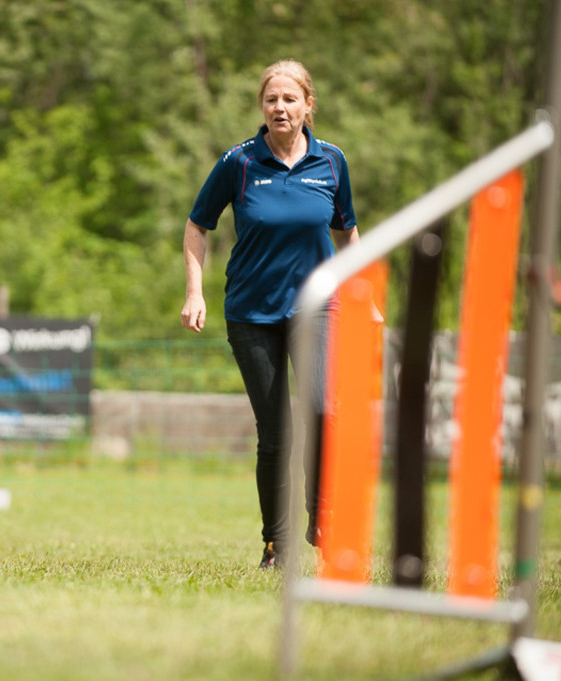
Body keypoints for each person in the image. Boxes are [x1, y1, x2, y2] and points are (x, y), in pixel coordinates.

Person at [180, 59, 366, 569]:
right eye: (271, 100)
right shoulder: (239, 162)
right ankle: (275, 545)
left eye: (289, 99)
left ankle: (323, 516)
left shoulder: (332, 162)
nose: (279, 108)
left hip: (318, 307)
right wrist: (195, 292)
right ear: (262, 107)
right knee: (277, 434)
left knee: (324, 410)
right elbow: (197, 225)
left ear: (308, 105)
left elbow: (347, 230)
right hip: (252, 312)